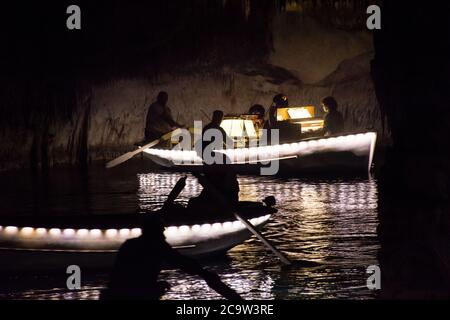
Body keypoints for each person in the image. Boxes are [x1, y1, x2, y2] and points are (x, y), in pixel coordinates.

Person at [101, 214, 242, 300]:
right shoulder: (155, 245)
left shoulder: (131, 244)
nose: (164, 233)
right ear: (155, 230)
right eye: (161, 229)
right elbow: (181, 261)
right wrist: (204, 273)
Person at [189, 110, 239, 210]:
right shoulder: (217, 129)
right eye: (219, 118)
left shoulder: (209, 128)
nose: (219, 120)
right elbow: (228, 143)